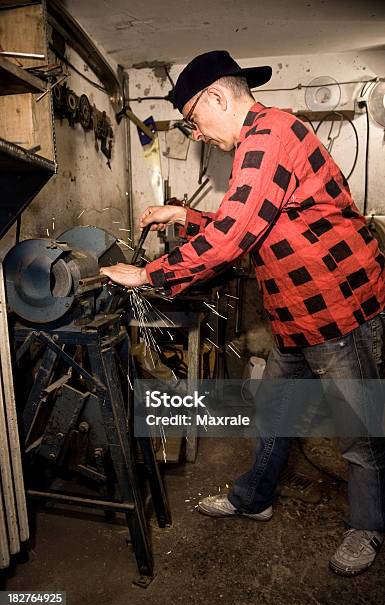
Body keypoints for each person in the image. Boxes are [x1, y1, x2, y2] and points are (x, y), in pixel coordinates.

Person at [100, 50, 385, 576]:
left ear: (216, 97)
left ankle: (368, 526)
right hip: (293, 313)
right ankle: (255, 497)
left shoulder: (269, 136)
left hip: (337, 307)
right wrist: (183, 214)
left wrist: (147, 275)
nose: (197, 133)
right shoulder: (260, 141)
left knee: (360, 429)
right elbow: (252, 218)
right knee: (275, 411)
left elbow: (232, 237)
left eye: (192, 120)